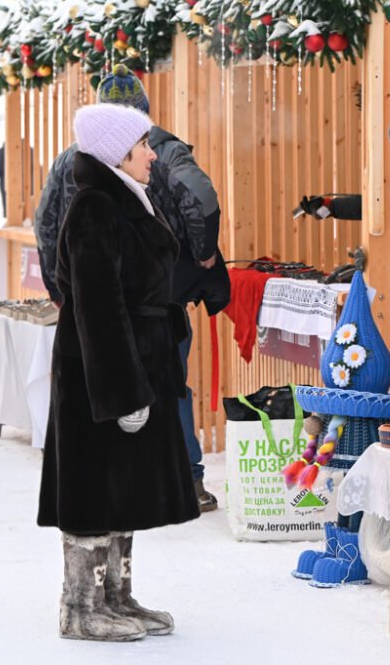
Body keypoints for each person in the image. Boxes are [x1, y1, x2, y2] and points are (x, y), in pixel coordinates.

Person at [33, 65, 230, 512]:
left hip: (90, 301)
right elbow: (201, 196)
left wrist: (58, 287)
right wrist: (202, 252)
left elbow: (45, 222)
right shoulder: (163, 148)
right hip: (155, 299)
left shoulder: (72, 158)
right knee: (166, 383)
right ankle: (188, 480)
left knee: (105, 387)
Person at [37, 104, 199, 642]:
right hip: (99, 371)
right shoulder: (94, 208)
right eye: (143, 145)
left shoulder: (124, 199)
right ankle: (79, 608)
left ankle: (115, 597)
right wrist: (123, 392)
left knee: (120, 486)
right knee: (94, 487)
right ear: (116, 153)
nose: (152, 154)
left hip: (133, 359)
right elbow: (97, 306)